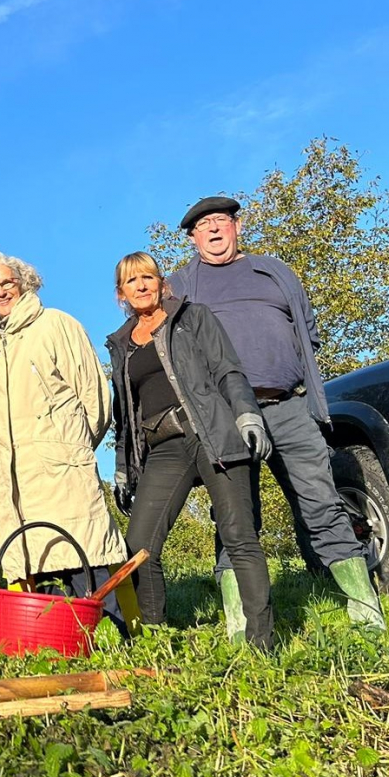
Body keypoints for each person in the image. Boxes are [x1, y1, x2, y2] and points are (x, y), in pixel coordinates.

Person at [168, 196, 384, 632]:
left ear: (237, 227)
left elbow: (307, 330)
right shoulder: (181, 285)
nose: (213, 229)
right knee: (235, 517)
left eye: (220, 221)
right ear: (193, 238)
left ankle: (365, 610)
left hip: (287, 405)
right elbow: (171, 350)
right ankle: (239, 621)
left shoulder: (274, 271)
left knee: (322, 501)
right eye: (203, 225)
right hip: (225, 415)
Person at [107, 251, 274, 649]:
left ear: (161, 283)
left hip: (212, 433)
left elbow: (227, 369)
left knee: (239, 537)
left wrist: (248, 415)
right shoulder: (121, 345)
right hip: (163, 447)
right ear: (121, 294)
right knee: (139, 547)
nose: (142, 285)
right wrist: (123, 469)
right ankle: (152, 640)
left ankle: (262, 643)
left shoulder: (192, 318)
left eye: (148, 277)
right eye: (132, 281)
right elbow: (125, 415)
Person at [0, 253, 127, 630]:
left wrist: (72, 447)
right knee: (33, 562)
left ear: (24, 283)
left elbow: (95, 398)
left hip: (60, 470)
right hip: (7, 479)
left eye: (7, 283)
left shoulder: (56, 325)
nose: (0, 292)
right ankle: (54, 643)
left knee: (84, 554)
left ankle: (117, 638)